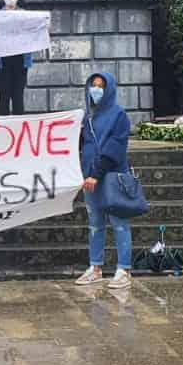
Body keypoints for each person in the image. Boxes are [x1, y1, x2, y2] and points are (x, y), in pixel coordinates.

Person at [75, 70, 133, 293]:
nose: (96, 90)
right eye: (93, 85)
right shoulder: (88, 117)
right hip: (89, 178)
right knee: (95, 224)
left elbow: (114, 149)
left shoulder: (119, 115)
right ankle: (95, 266)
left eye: (101, 86)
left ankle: (123, 269)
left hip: (111, 178)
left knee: (119, 223)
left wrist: (96, 174)